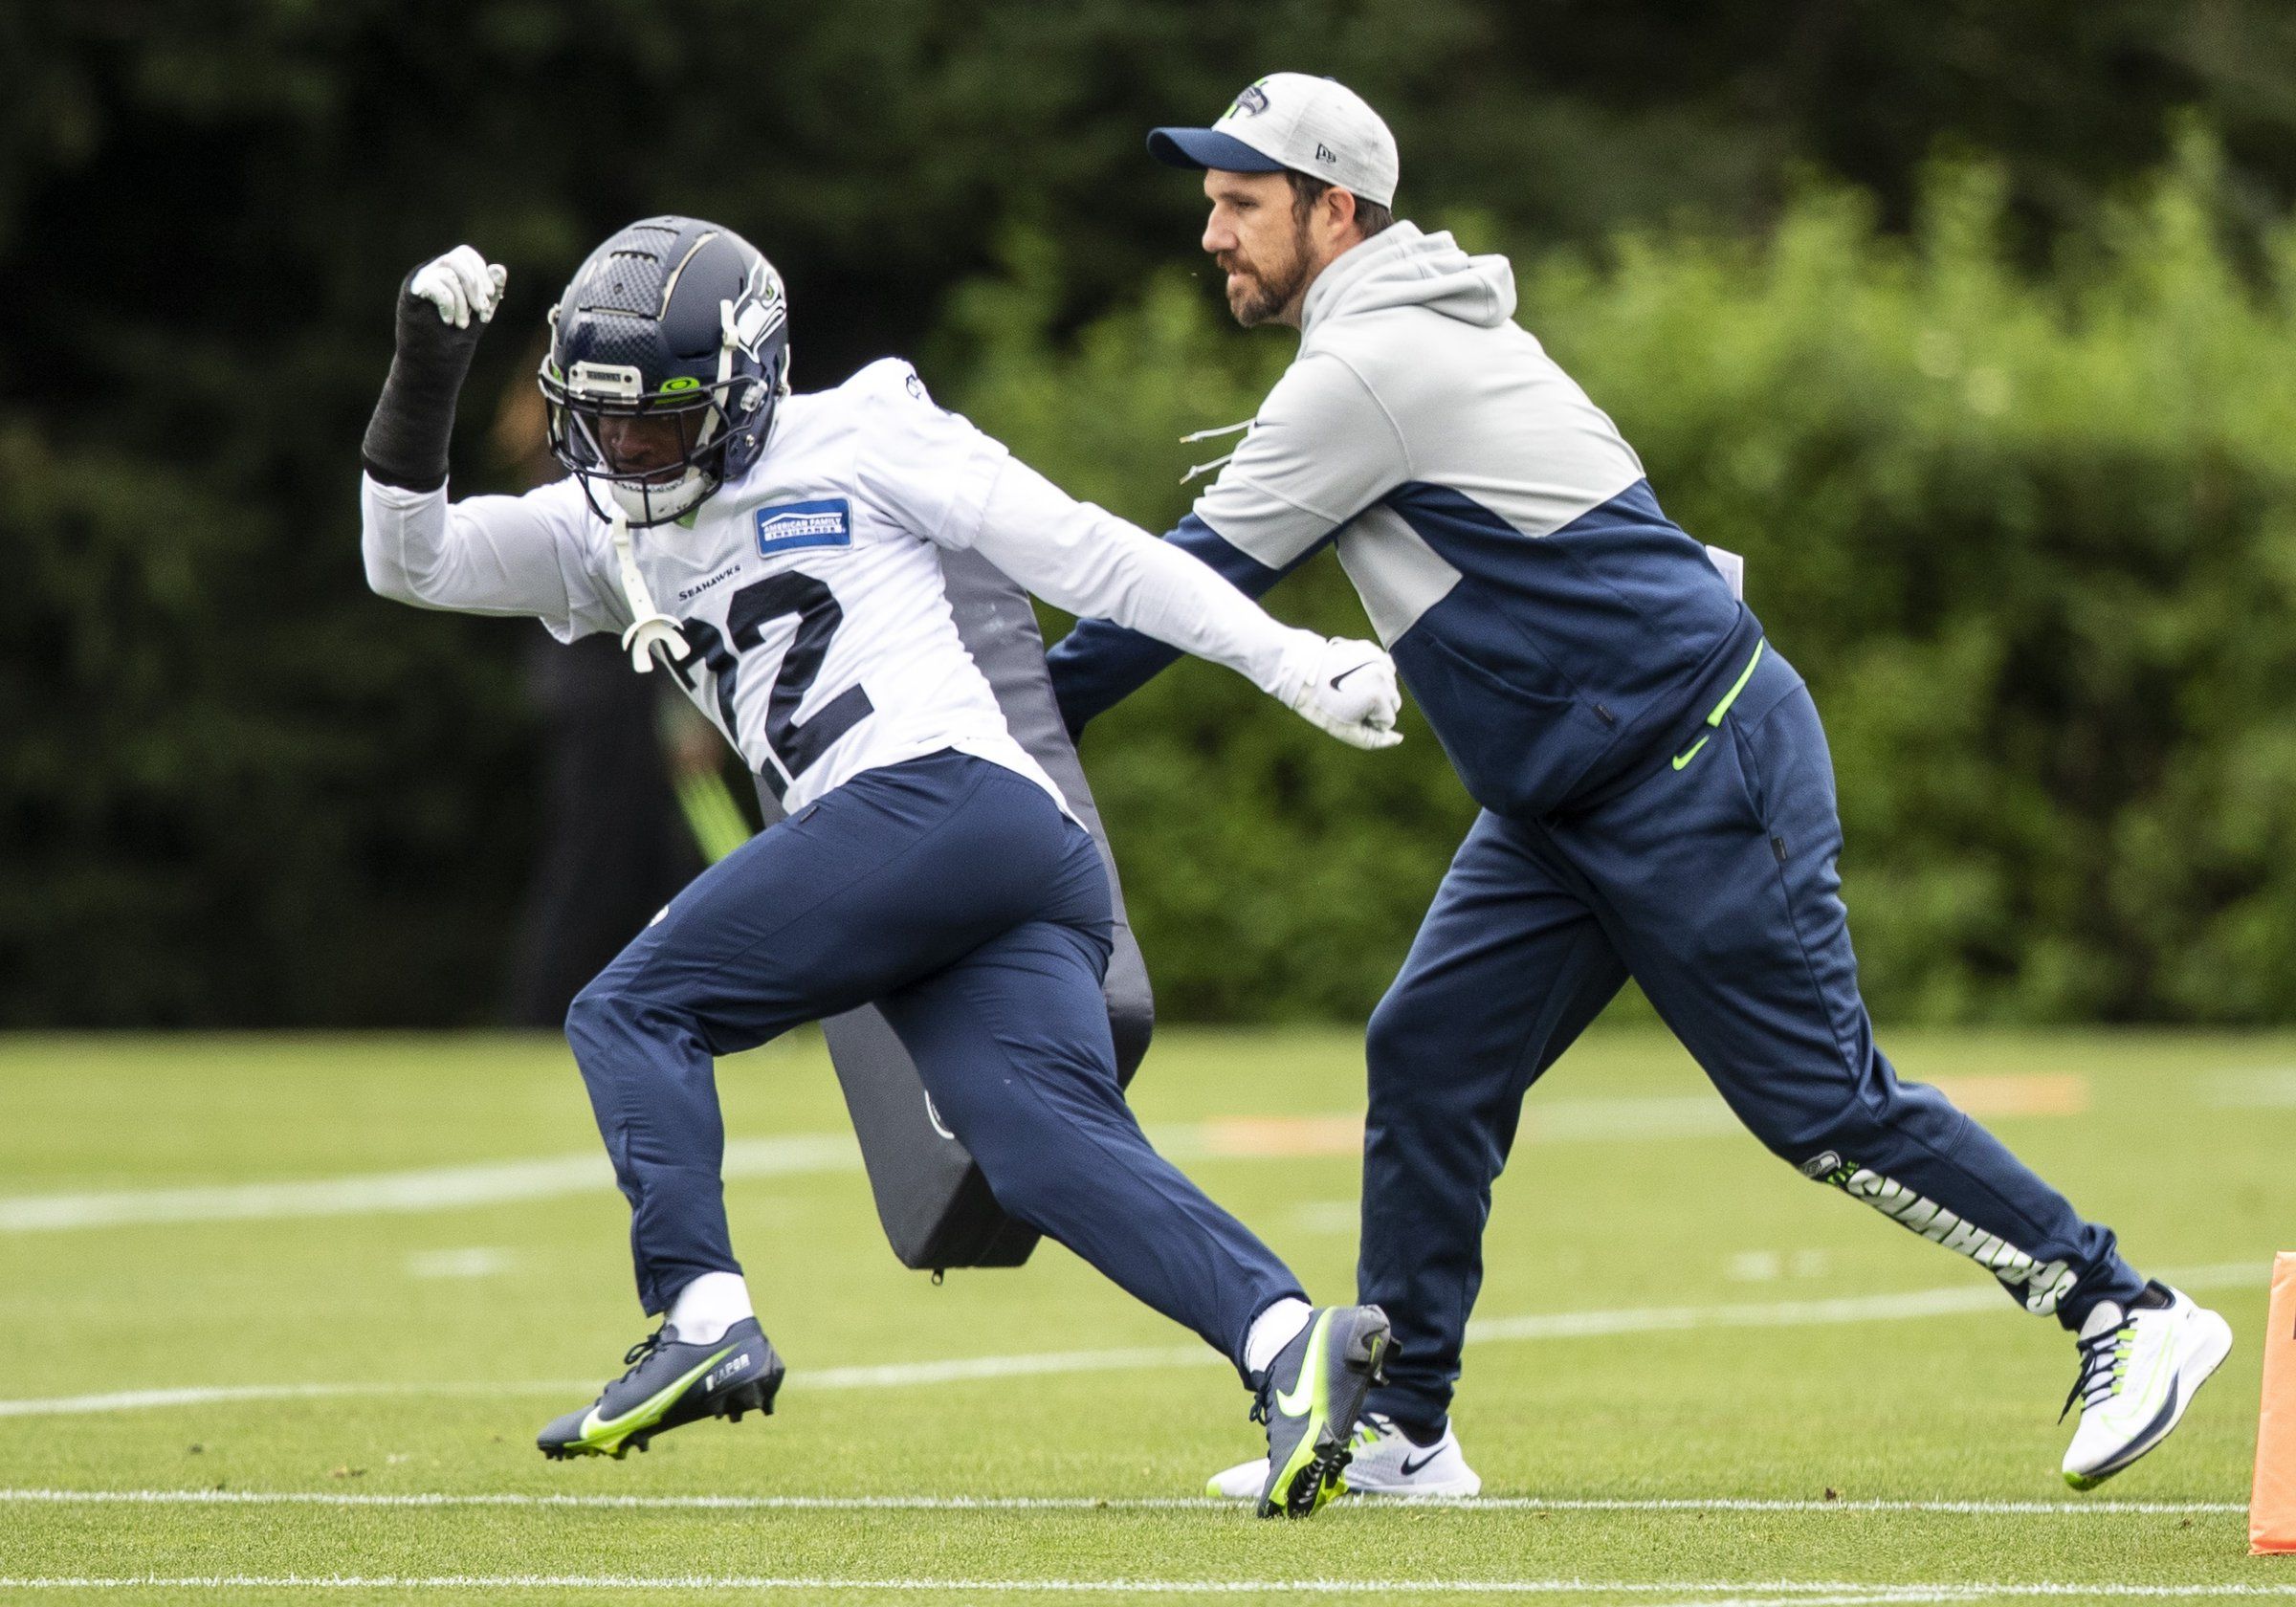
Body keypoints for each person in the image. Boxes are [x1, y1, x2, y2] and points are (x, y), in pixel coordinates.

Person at [1046, 74, 2232, 1498]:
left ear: (1334, 208)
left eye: (1242, 205)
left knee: (1824, 1105)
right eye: (1213, 205)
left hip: (1689, 760)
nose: (1214, 236)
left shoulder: (1365, 369)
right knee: (1428, 1056)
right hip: (1571, 798)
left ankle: (2126, 1310)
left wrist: (995, 725)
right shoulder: (1393, 334)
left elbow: (1171, 596)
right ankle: (1408, 1428)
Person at [356, 216, 1400, 1517]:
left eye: (662, 420)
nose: (627, 451)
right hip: (1006, 857)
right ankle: (1289, 1342)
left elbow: (1090, 551)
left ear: (746, 384)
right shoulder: (603, 527)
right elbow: (408, 562)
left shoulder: (862, 433)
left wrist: (1291, 660)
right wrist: (422, 375)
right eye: (605, 422)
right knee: (1038, 1145)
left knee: (631, 1008)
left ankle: (701, 1316)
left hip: (939, 800)